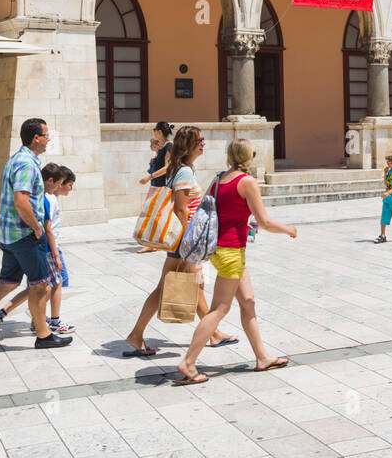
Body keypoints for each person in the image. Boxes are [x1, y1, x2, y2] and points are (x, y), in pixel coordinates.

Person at [176, 139, 298, 384]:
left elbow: (223, 212)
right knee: (220, 309)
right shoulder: (247, 182)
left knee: (248, 302)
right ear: (248, 156)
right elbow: (264, 221)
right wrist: (288, 229)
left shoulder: (219, 179)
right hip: (231, 251)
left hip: (222, 248)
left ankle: (262, 357)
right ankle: (188, 363)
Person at [0, 118, 71, 354]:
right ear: (36, 138)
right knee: (39, 286)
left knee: (7, 283)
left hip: (9, 235)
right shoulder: (27, 164)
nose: (49, 140)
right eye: (47, 135)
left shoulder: (16, 159)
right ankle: (43, 335)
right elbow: (21, 201)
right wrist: (37, 229)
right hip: (24, 236)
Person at [124, 125, 238, 357]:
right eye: (201, 140)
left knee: (189, 285)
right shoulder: (184, 171)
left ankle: (213, 334)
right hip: (182, 242)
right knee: (169, 286)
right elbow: (180, 209)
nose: (204, 144)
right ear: (190, 145)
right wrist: (191, 242)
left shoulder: (182, 168)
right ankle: (136, 335)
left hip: (181, 242)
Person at [0, 165, 75, 337]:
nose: (69, 188)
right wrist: (56, 254)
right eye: (68, 184)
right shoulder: (48, 199)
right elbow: (47, 228)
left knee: (39, 287)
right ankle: (52, 321)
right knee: (53, 283)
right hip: (49, 247)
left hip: (45, 246)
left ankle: (34, 318)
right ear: (58, 182)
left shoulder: (49, 198)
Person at [138, 121, 175, 188]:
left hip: (164, 187)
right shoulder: (162, 147)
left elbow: (167, 167)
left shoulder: (169, 146)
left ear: (159, 132)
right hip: (157, 185)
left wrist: (150, 176)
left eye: (155, 130)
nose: (153, 132)